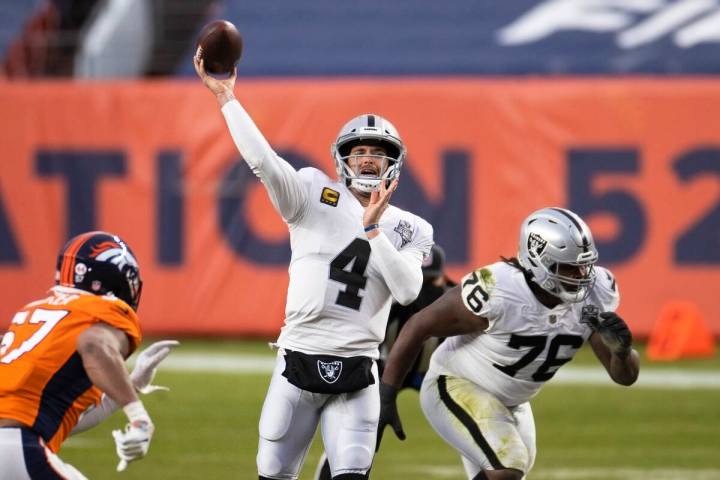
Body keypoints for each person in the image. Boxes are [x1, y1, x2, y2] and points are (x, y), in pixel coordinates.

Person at [194, 51, 434, 480]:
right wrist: (226, 98)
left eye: (376, 154)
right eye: (358, 151)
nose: (366, 160)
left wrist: (374, 230)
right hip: (298, 359)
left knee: (351, 473)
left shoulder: (411, 228)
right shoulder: (310, 194)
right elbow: (263, 162)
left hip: (359, 368)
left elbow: (408, 292)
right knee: (273, 473)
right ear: (342, 158)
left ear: (392, 163)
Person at [377, 207, 640, 480]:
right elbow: (419, 325)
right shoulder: (498, 289)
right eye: (570, 267)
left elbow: (624, 377)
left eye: (585, 265)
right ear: (540, 261)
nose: (582, 275)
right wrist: (387, 393)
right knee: (507, 466)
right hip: (456, 384)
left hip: (513, 402)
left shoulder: (594, 294)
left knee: (511, 468)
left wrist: (622, 352)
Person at [0, 231, 178, 479]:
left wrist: (131, 384)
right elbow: (93, 345)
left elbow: (63, 421)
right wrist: (139, 418)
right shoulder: (101, 311)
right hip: (15, 449)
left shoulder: (31, 314)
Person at [314, 244, 456, 480]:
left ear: (443, 278)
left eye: (431, 282)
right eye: (420, 281)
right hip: (388, 369)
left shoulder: (458, 301)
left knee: (473, 426)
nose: (424, 290)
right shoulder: (388, 299)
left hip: (436, 373)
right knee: (356, 432)